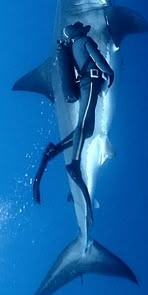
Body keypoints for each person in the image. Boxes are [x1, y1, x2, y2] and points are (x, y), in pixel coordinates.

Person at [33, 21, 114, 217]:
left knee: (87, 130)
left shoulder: (72, 48)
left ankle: (53, 151)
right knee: (83, 124)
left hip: (85, 83)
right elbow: (98, 59)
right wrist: (109, 72)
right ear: (80, 32)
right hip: (91, 83)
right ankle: (75, 164)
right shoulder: (84, 41)